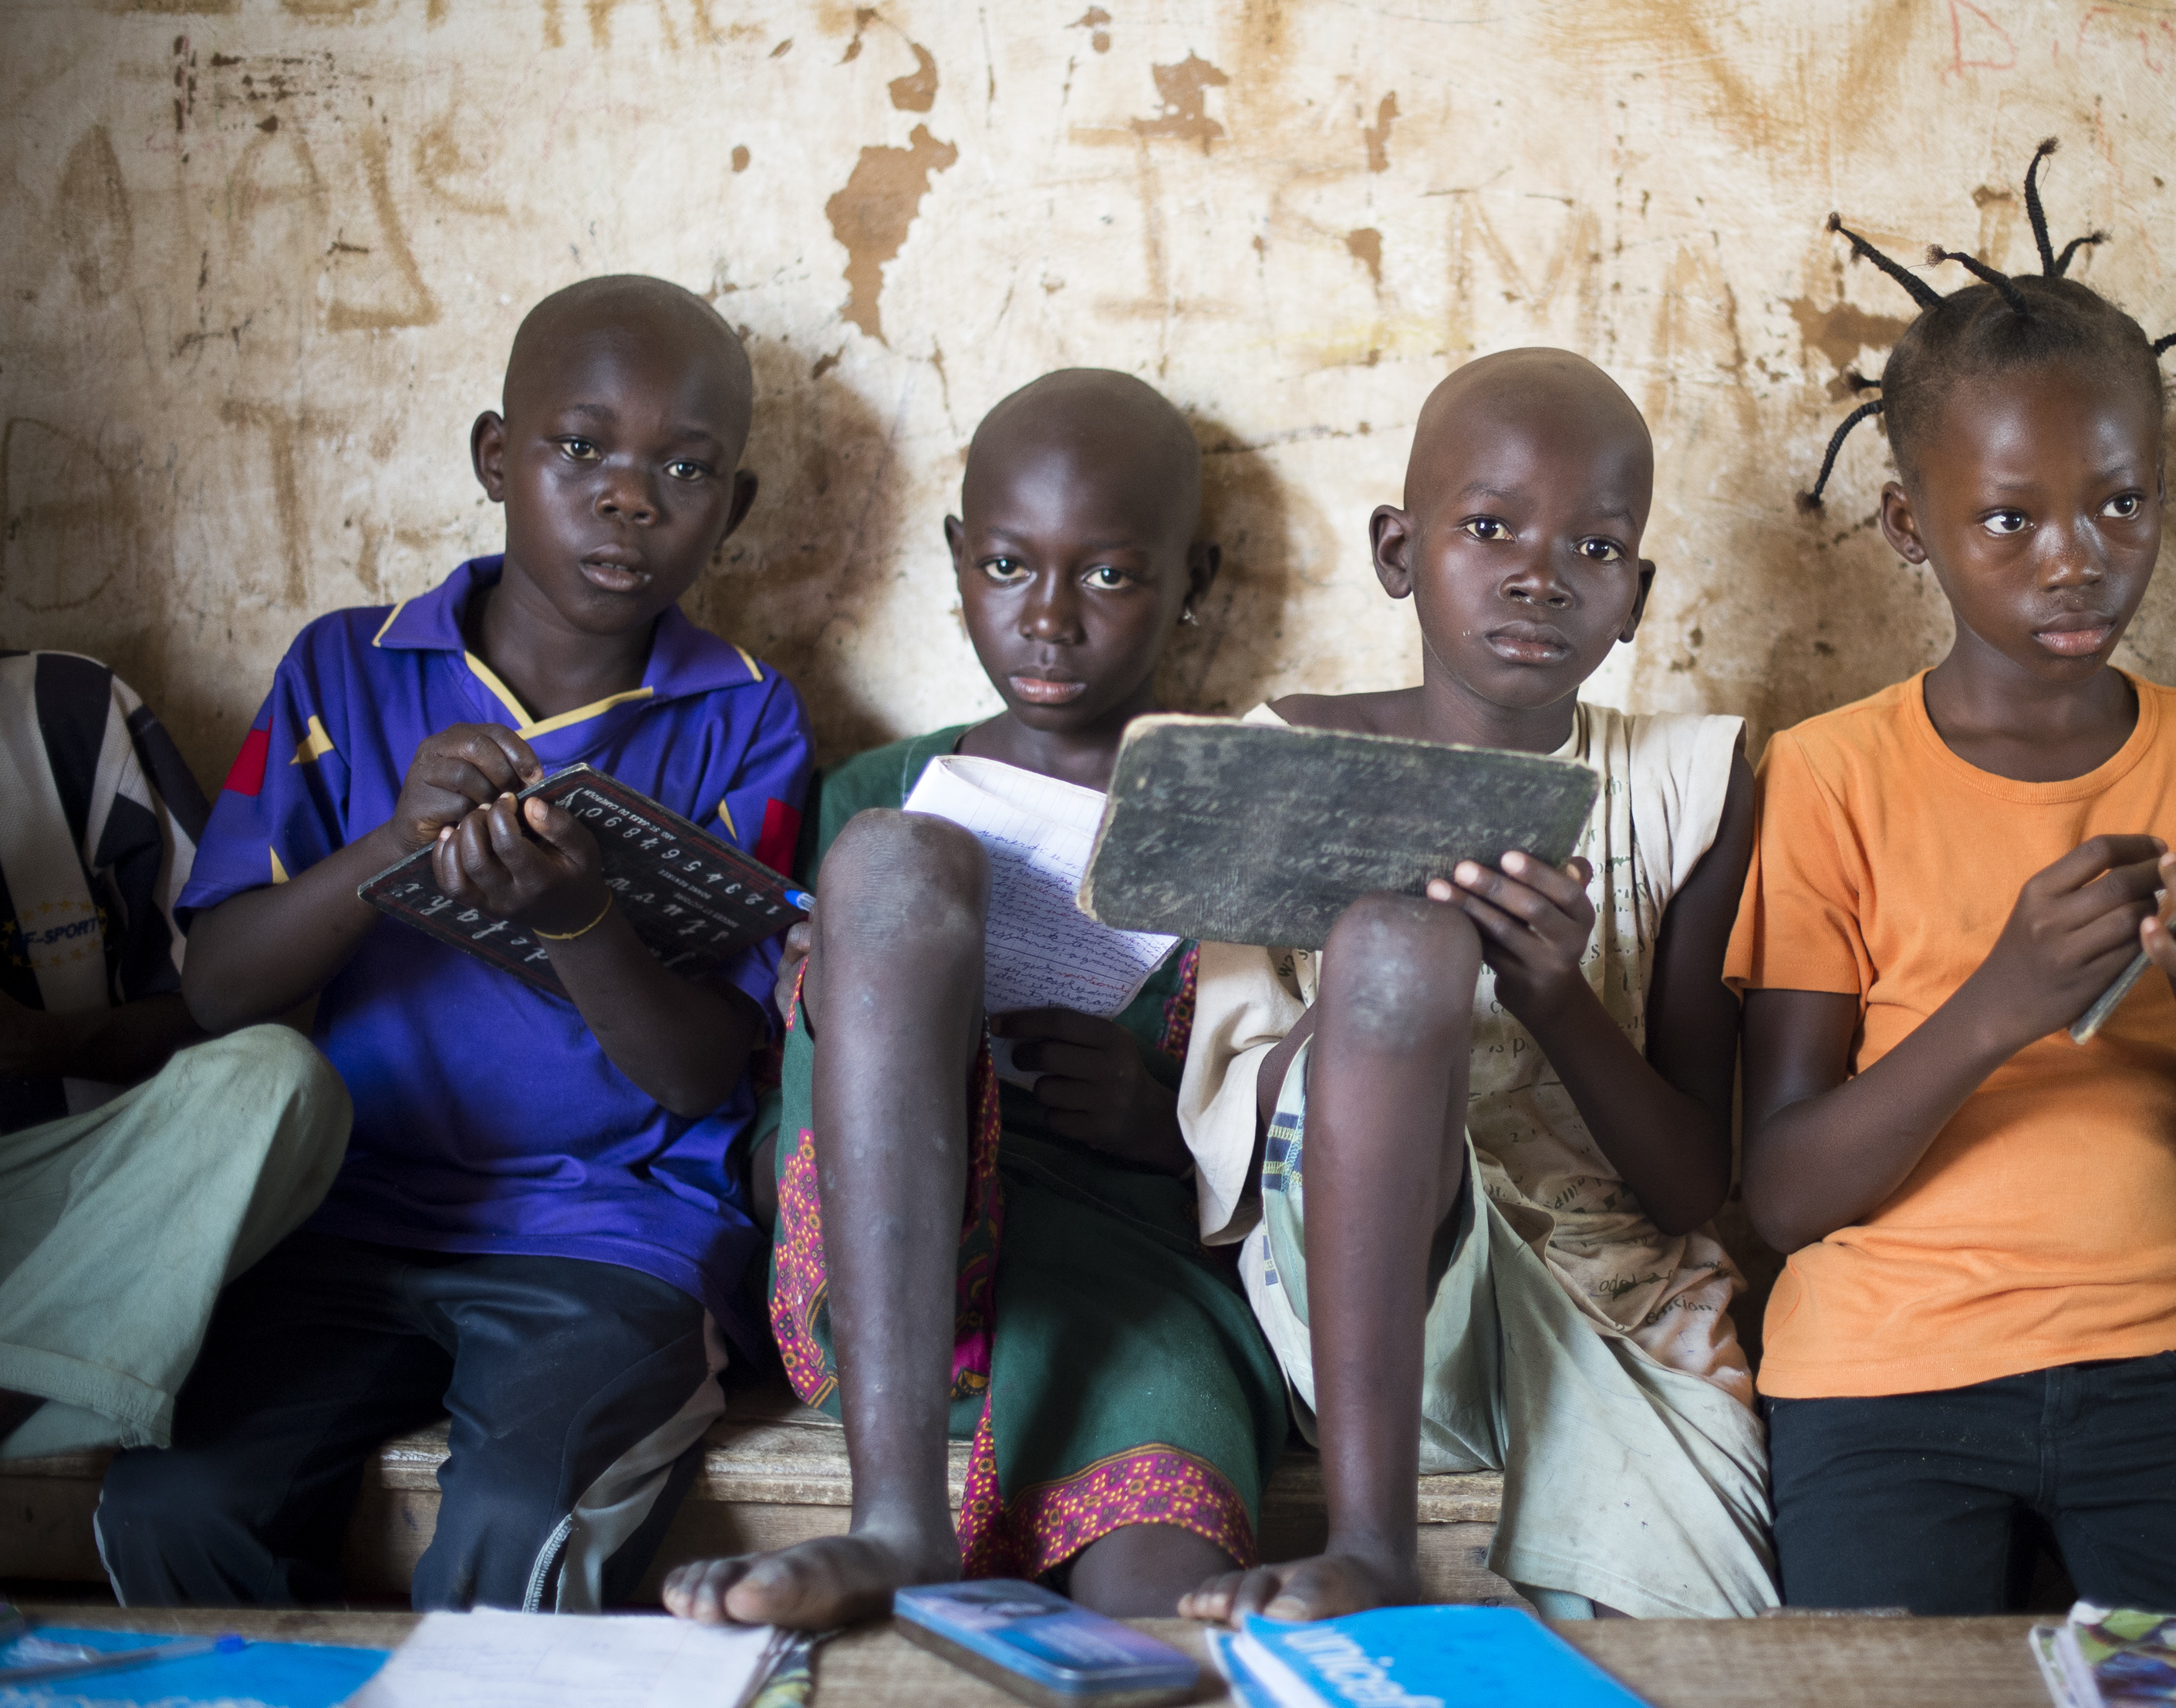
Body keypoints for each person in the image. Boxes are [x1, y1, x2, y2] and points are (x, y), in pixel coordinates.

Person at [96, 275, 813, 1612]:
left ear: (735, 506)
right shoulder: (344, 670)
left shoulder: (744, 715)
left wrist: (579, 916)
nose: (629, 495)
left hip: (613, 1235)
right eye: (581, 447)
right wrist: (388, 852)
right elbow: (217, 988)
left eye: (685, 468)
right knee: (171, 1504)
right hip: (337, 1222)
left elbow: (702, 1075)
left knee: (516, 1518)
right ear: (496, 455)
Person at [1727, 141, 2176, 1614]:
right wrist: (1999, 1000)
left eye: (2119, 503)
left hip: (2158, 1353)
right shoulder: (1828, 772)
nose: (2074, 557)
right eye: (2009, 518)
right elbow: (1781, 1194)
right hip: (1876, 1372)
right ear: (1907, 525)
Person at [662, 369, 1287, 1627]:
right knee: (894, 867)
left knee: (1168, 1602)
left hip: (1126, 1277)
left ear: (1193, 577)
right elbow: (763, 1080)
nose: (1048, 617)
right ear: (957, 557)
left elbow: (1293, 1109)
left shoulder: (1242, 816)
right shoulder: (870, 793)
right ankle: (891, 1517)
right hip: (893, 1277)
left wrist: (1165, 1118)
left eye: (1107, 575)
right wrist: (827, 985)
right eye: (1007, 566)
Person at [1173, 346, 1775, 1625]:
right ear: (1400, 552)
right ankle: (1368, 1540)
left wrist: (1558, 996)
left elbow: (1686, 1186)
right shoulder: (1288, 761)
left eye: (1594, 546)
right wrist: (1388, 993)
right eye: (1487, 525)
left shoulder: (1694, 784)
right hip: (1356, 1301)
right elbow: (1232, 1128)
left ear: (1636, 591)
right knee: (1398, 951)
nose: (1539, 574)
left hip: (1616, 1304)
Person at [0, 649, 348, 1459]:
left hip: (67, 1226)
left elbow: (210, 1005)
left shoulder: (65, 710)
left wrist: (37, 1043)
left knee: (274, 1077)